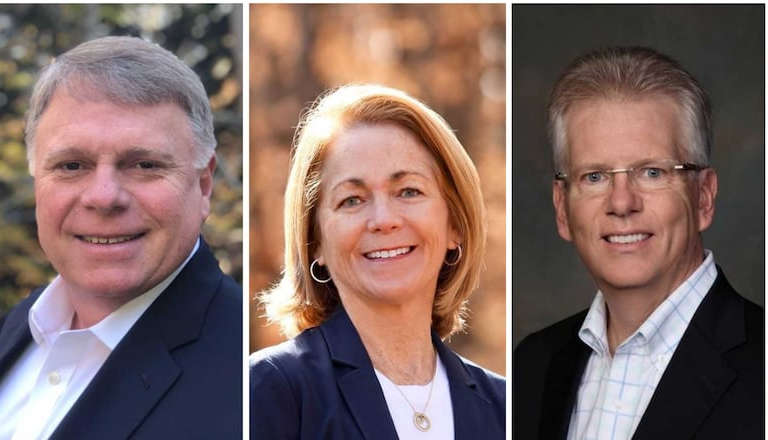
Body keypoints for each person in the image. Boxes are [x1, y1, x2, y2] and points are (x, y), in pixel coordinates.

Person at [0, 36, 242, 439]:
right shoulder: (25, 322)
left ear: (204, 184)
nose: (104, 197)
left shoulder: (250, 371)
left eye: (144, 165)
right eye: (72, 166)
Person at [514, 46, 764, 439]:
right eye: (594, 177)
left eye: (651, 172)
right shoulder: (532, 367)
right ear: (562, 208)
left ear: (703, 197)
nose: (621, 203)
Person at [250, 84, 505, 439]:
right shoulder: (273, 391)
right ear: (315, 241)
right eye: (352, 200)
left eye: (409, 191)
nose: (383, 220)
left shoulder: (503, 406)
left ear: (455, 225)